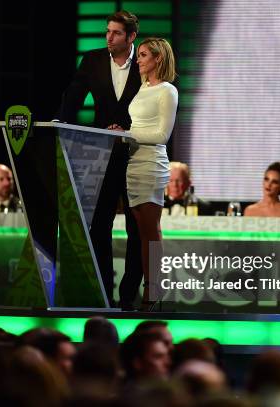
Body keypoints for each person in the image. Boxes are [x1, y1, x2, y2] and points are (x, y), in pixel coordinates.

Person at [57, 11, 143, 310]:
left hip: (137, 156)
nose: (108, 37)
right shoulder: (92, 60)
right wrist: (63, 129)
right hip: (100, 155)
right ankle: (104, 293)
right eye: (107, 31)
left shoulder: (146, 62)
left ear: (131, 37)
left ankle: (129, 295)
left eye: (116, 33)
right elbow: (73, 99)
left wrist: (132, 132)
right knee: (98, 226)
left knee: (137, 228)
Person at [109, 37, 178, 310]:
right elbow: (138, 125)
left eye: (144, 55)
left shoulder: (167, 91)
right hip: (134, 163)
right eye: (139, 55)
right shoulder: (142, 87)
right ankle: (149, 290)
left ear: (158, 59)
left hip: (151, 164)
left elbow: (162, 134)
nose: (138, 59)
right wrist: (123, 132)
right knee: (139, 232)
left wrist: (126, 135)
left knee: (151, 232)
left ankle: (154, 291)